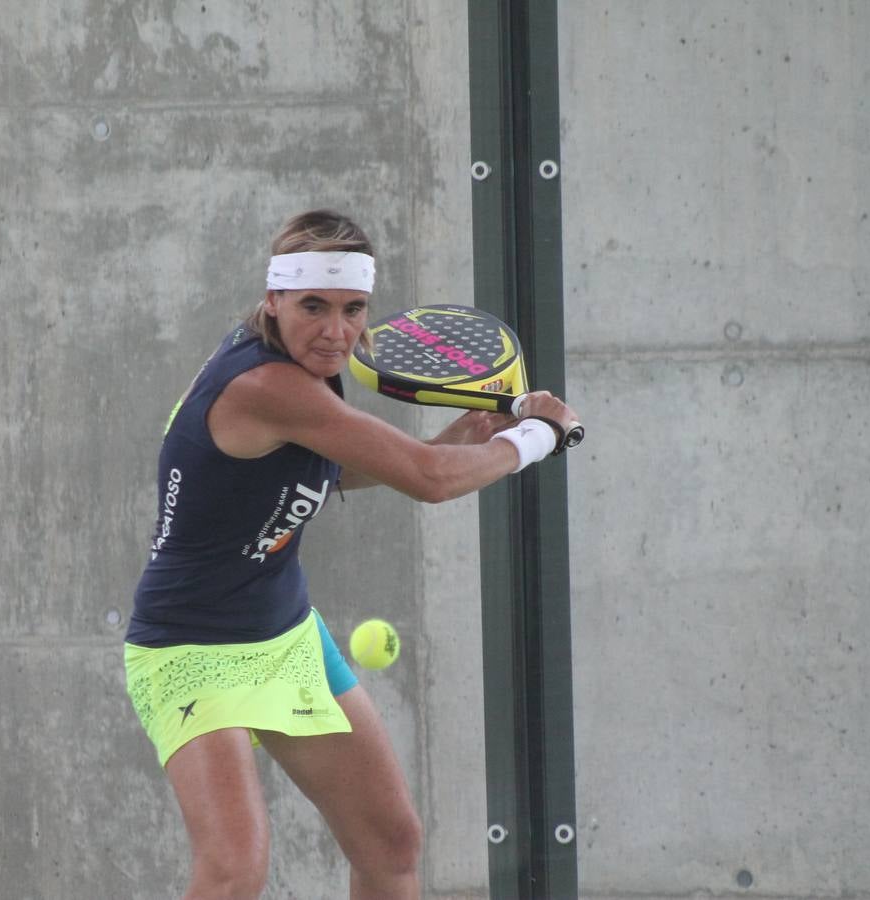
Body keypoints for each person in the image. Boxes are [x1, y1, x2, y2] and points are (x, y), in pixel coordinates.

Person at [124, 209, 579, 899]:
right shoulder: (263, 385)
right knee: (233, 868)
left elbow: (353, 465)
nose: (336, 331)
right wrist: (537, 436)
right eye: (313, 306)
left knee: (391, 845)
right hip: (189, 651)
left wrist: (452, 442)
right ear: (273, 300)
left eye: (352, 309)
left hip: (286, 638)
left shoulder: (300, 368)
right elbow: (427, 484)